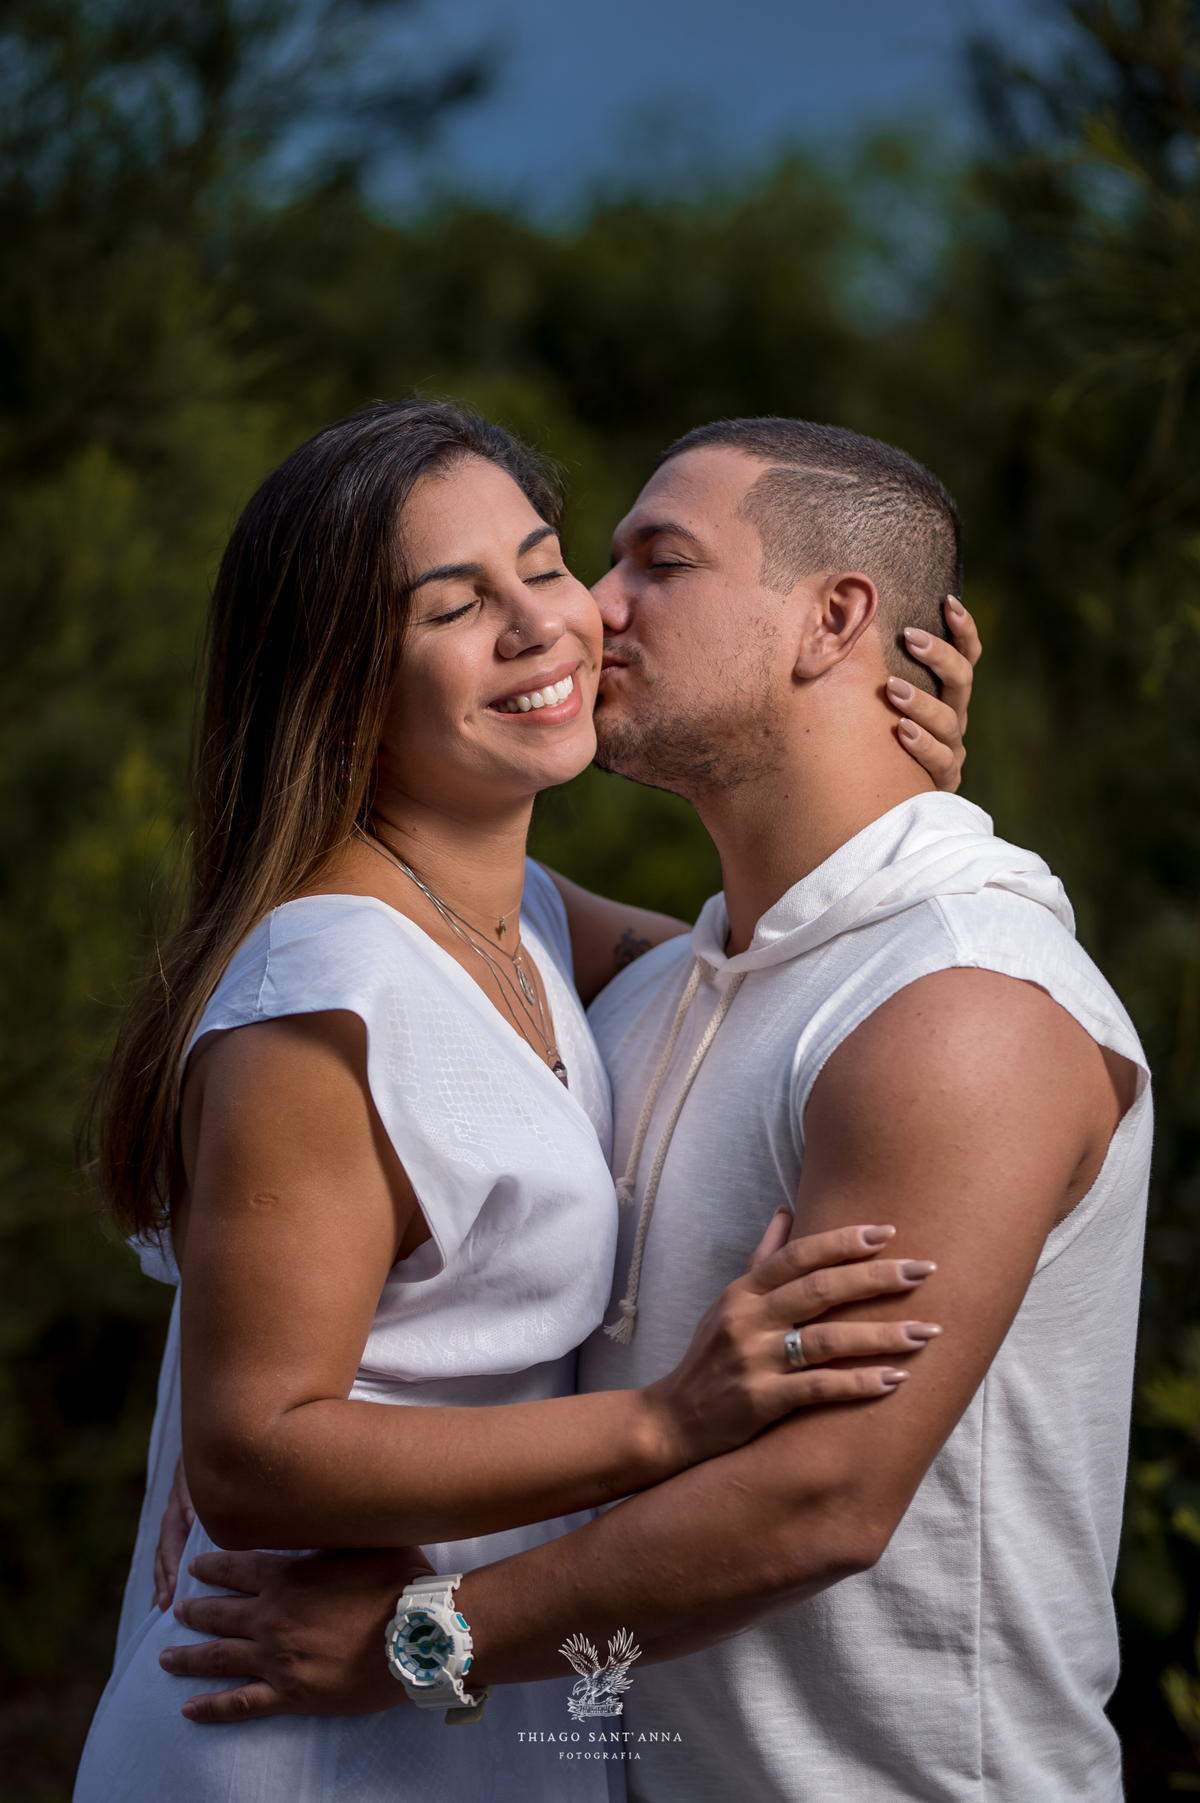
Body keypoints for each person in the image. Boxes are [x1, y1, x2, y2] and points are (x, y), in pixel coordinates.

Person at [157, 418, 1149, 1803]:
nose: (587, 613)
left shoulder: (960, 1008)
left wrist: (415, 1642)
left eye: (651, 562)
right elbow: (424, 947)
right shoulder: (656, 989)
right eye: (588, 563)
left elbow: (821, 1498)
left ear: (837, 620)